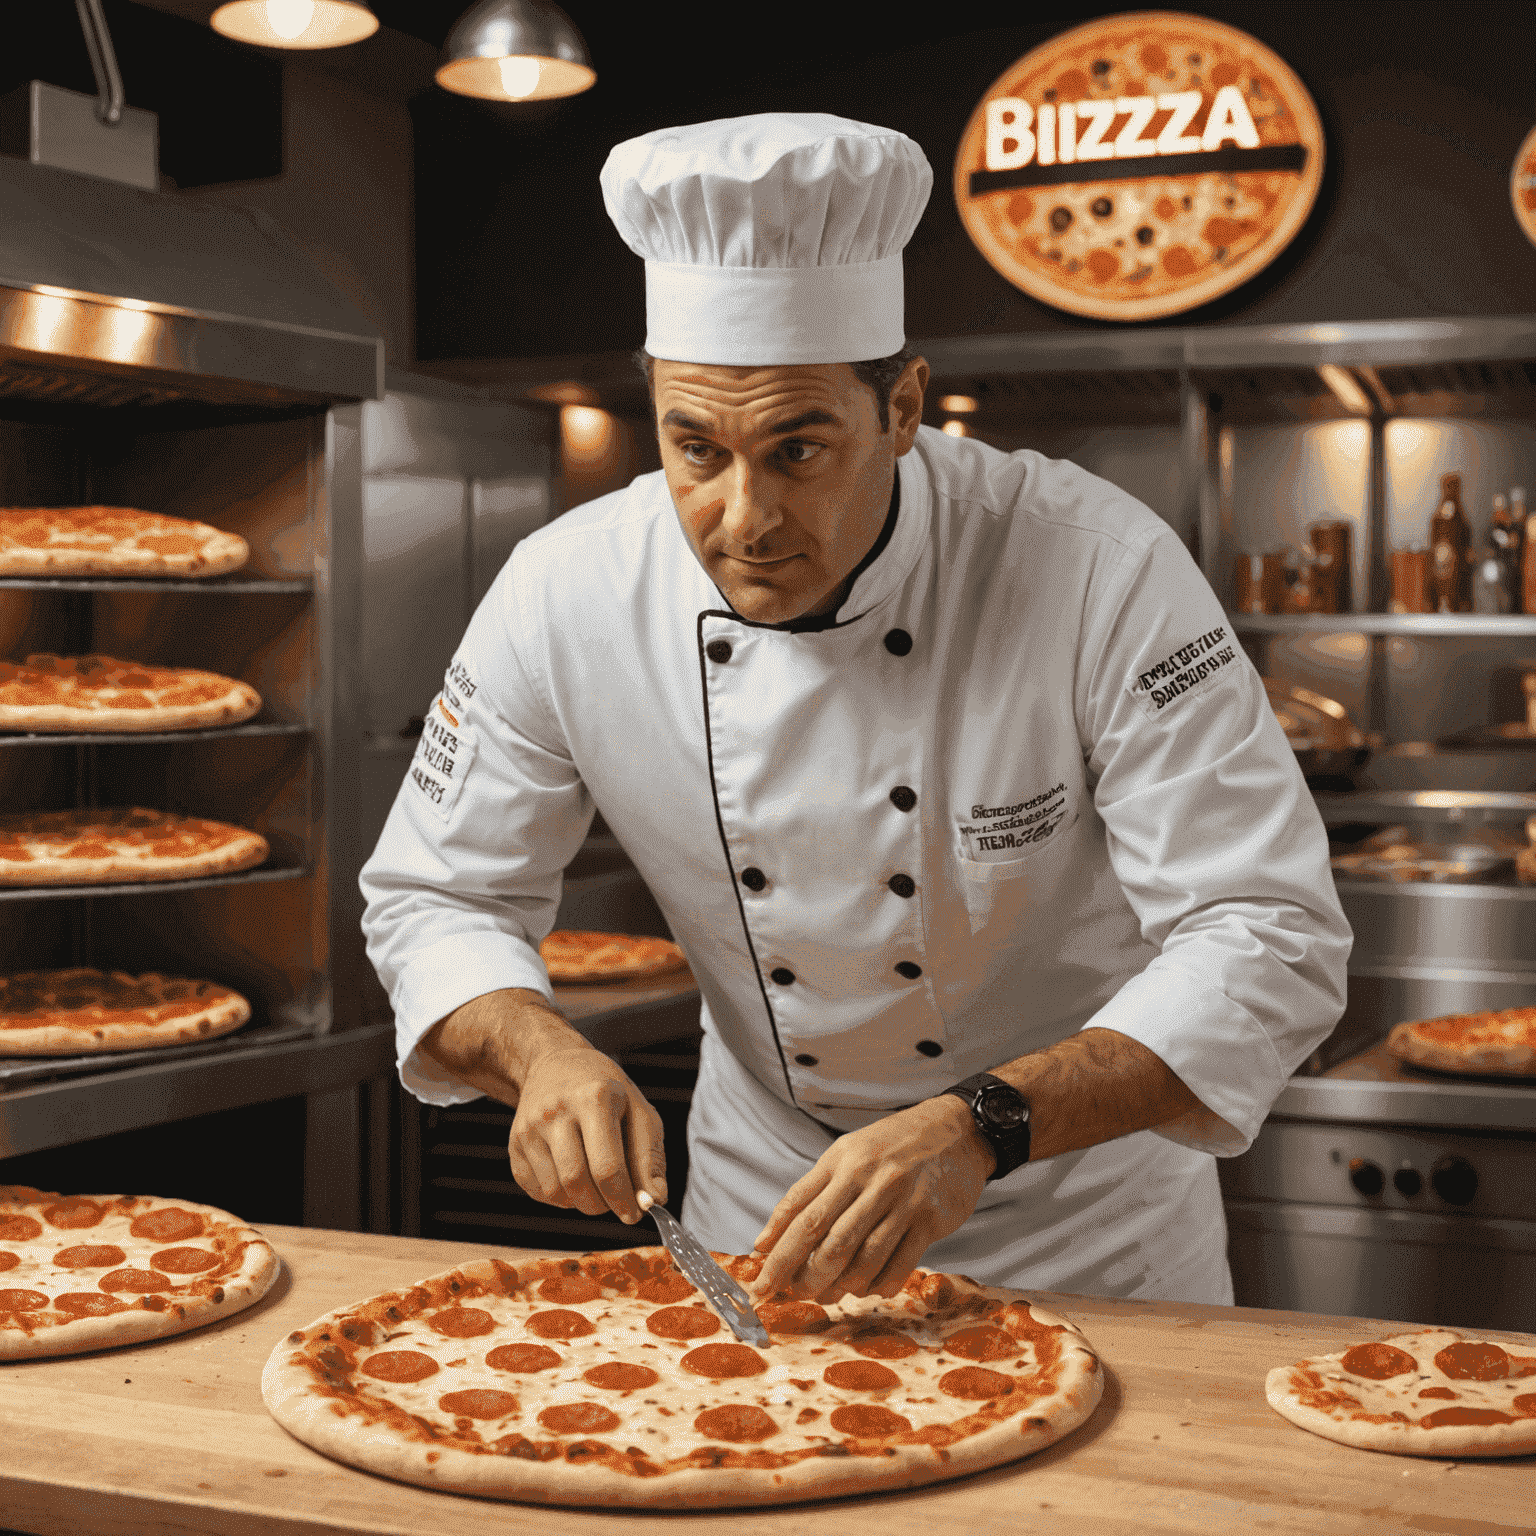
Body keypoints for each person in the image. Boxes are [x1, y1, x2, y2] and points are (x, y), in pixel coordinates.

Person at [360, 113, 1351, 1308]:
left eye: (797, 449)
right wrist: (536, 1046)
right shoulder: (568, 592)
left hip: (1086, 1227)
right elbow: (434, 893)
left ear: (902, 409)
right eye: (695, 449)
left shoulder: (1096, 569)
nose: (743, 519)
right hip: (767, 1215)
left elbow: (1268, 932)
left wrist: (982, 1124)